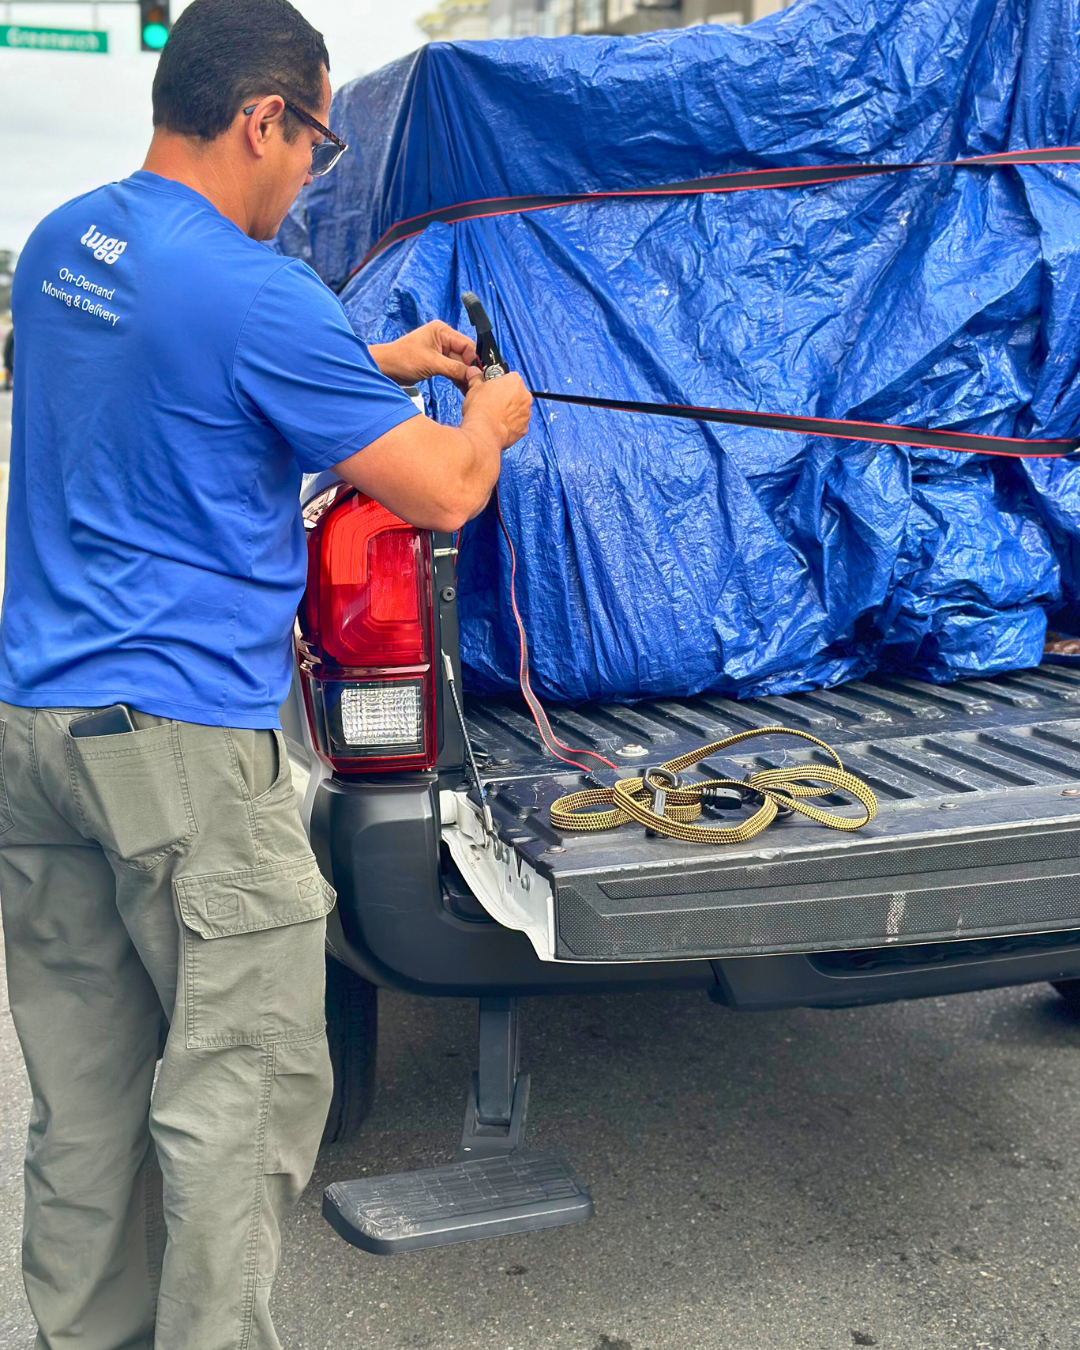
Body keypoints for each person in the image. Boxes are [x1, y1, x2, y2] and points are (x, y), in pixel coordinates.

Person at [0, 0, 531, 1346]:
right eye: (318, 143)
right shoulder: (256, 293)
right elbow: (448, 491)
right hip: (183, 759)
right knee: (234, 1108)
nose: (313, 174)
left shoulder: (68, 244)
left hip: (38, 741)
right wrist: (490, 418)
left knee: (89, 1106)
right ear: (262, 119)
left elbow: (185, 381)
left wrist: (376, 361)